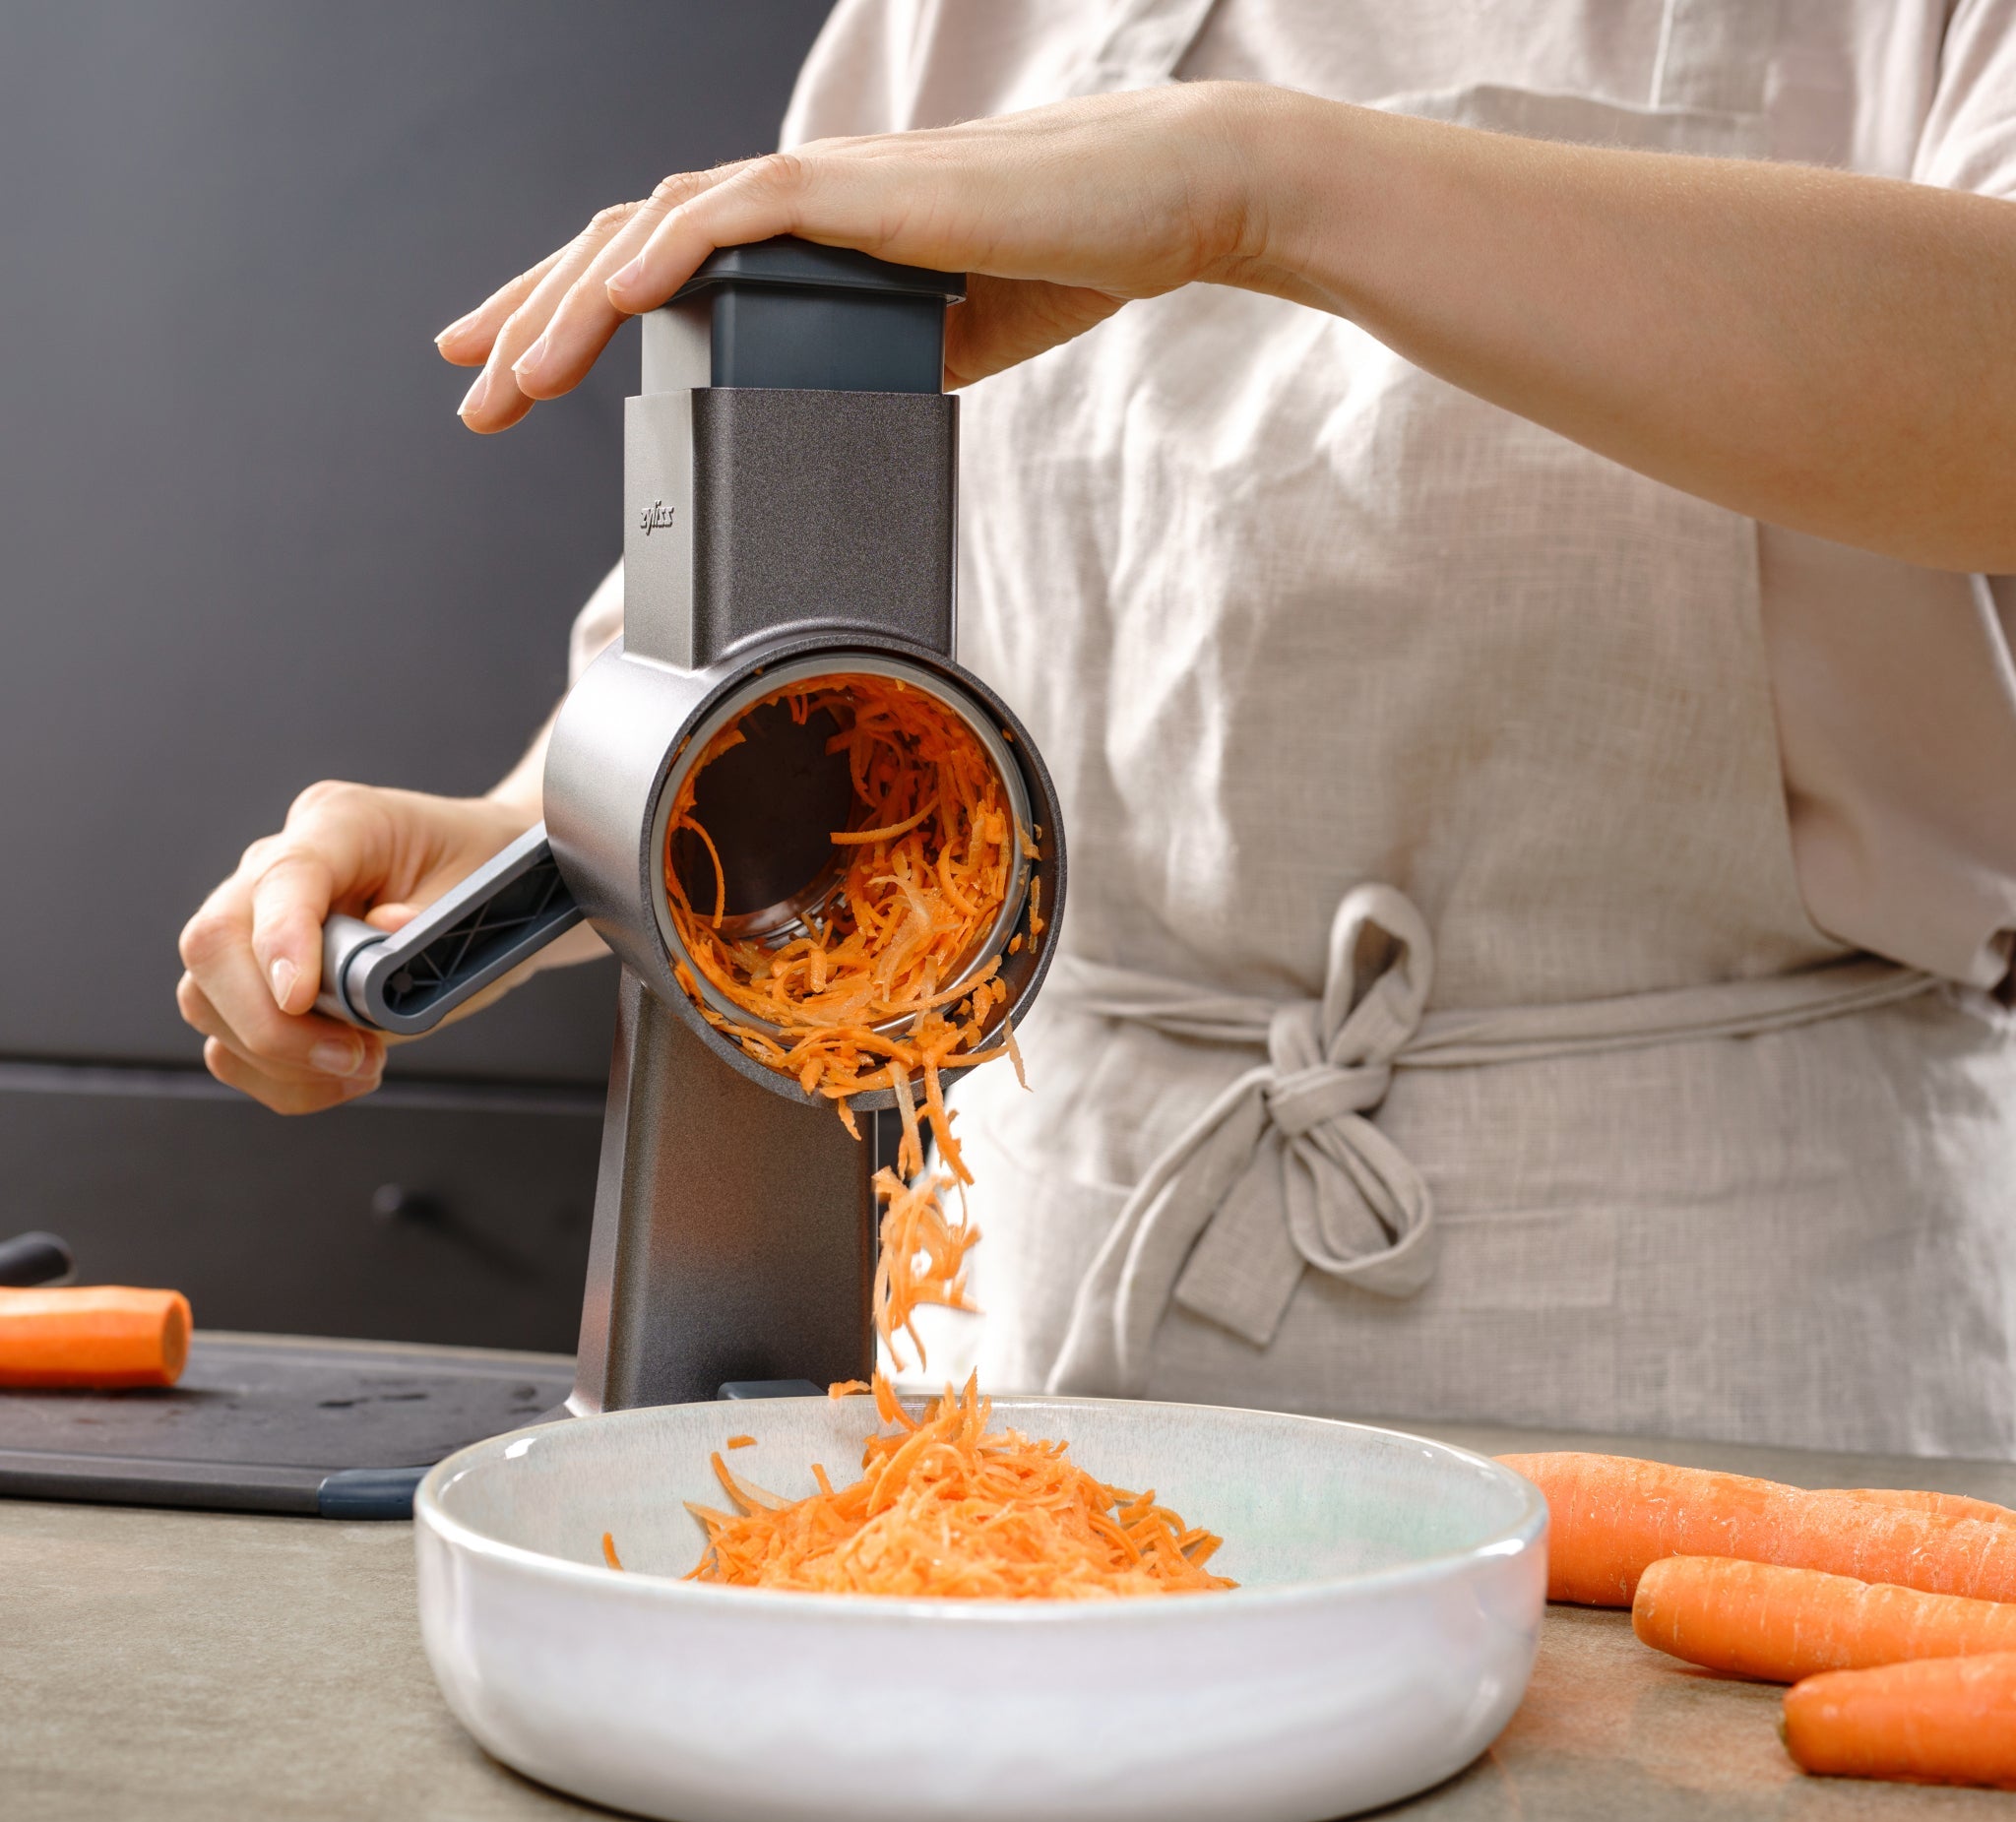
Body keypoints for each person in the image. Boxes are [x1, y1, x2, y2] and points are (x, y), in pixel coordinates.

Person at [178, 1, 2016, 1455]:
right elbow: (802, 630)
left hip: (1727, 1352)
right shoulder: (973, 13)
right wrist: (525, 830)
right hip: (1047, 1306)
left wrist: (1257, 188)